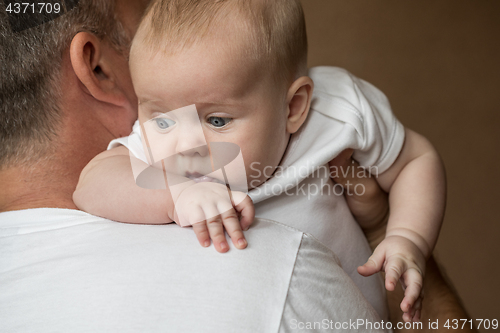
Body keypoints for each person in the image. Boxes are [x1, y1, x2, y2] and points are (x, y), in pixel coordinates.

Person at [0, 0, 475, 332]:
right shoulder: (159, 148)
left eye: (219, 119)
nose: (187, 143)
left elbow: (416, 158)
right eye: (161, 117)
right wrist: (177, 193)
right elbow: (93, 185)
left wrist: (406, 237)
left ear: (293, 108)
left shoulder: (338, 114)